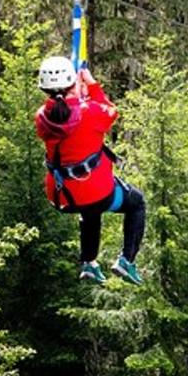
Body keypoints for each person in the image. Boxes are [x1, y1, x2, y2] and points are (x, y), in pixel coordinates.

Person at [35, 55, 146, 285]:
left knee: (89, 210)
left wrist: (77, 97)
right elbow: (111, 111)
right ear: (72, 83)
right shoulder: (91, 112)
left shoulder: (42, 117)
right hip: (95, 192)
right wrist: (91, 84)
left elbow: (65, 116)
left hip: (60, 195)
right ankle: (127, 259)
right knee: (136, 202)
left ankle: (89, 262)